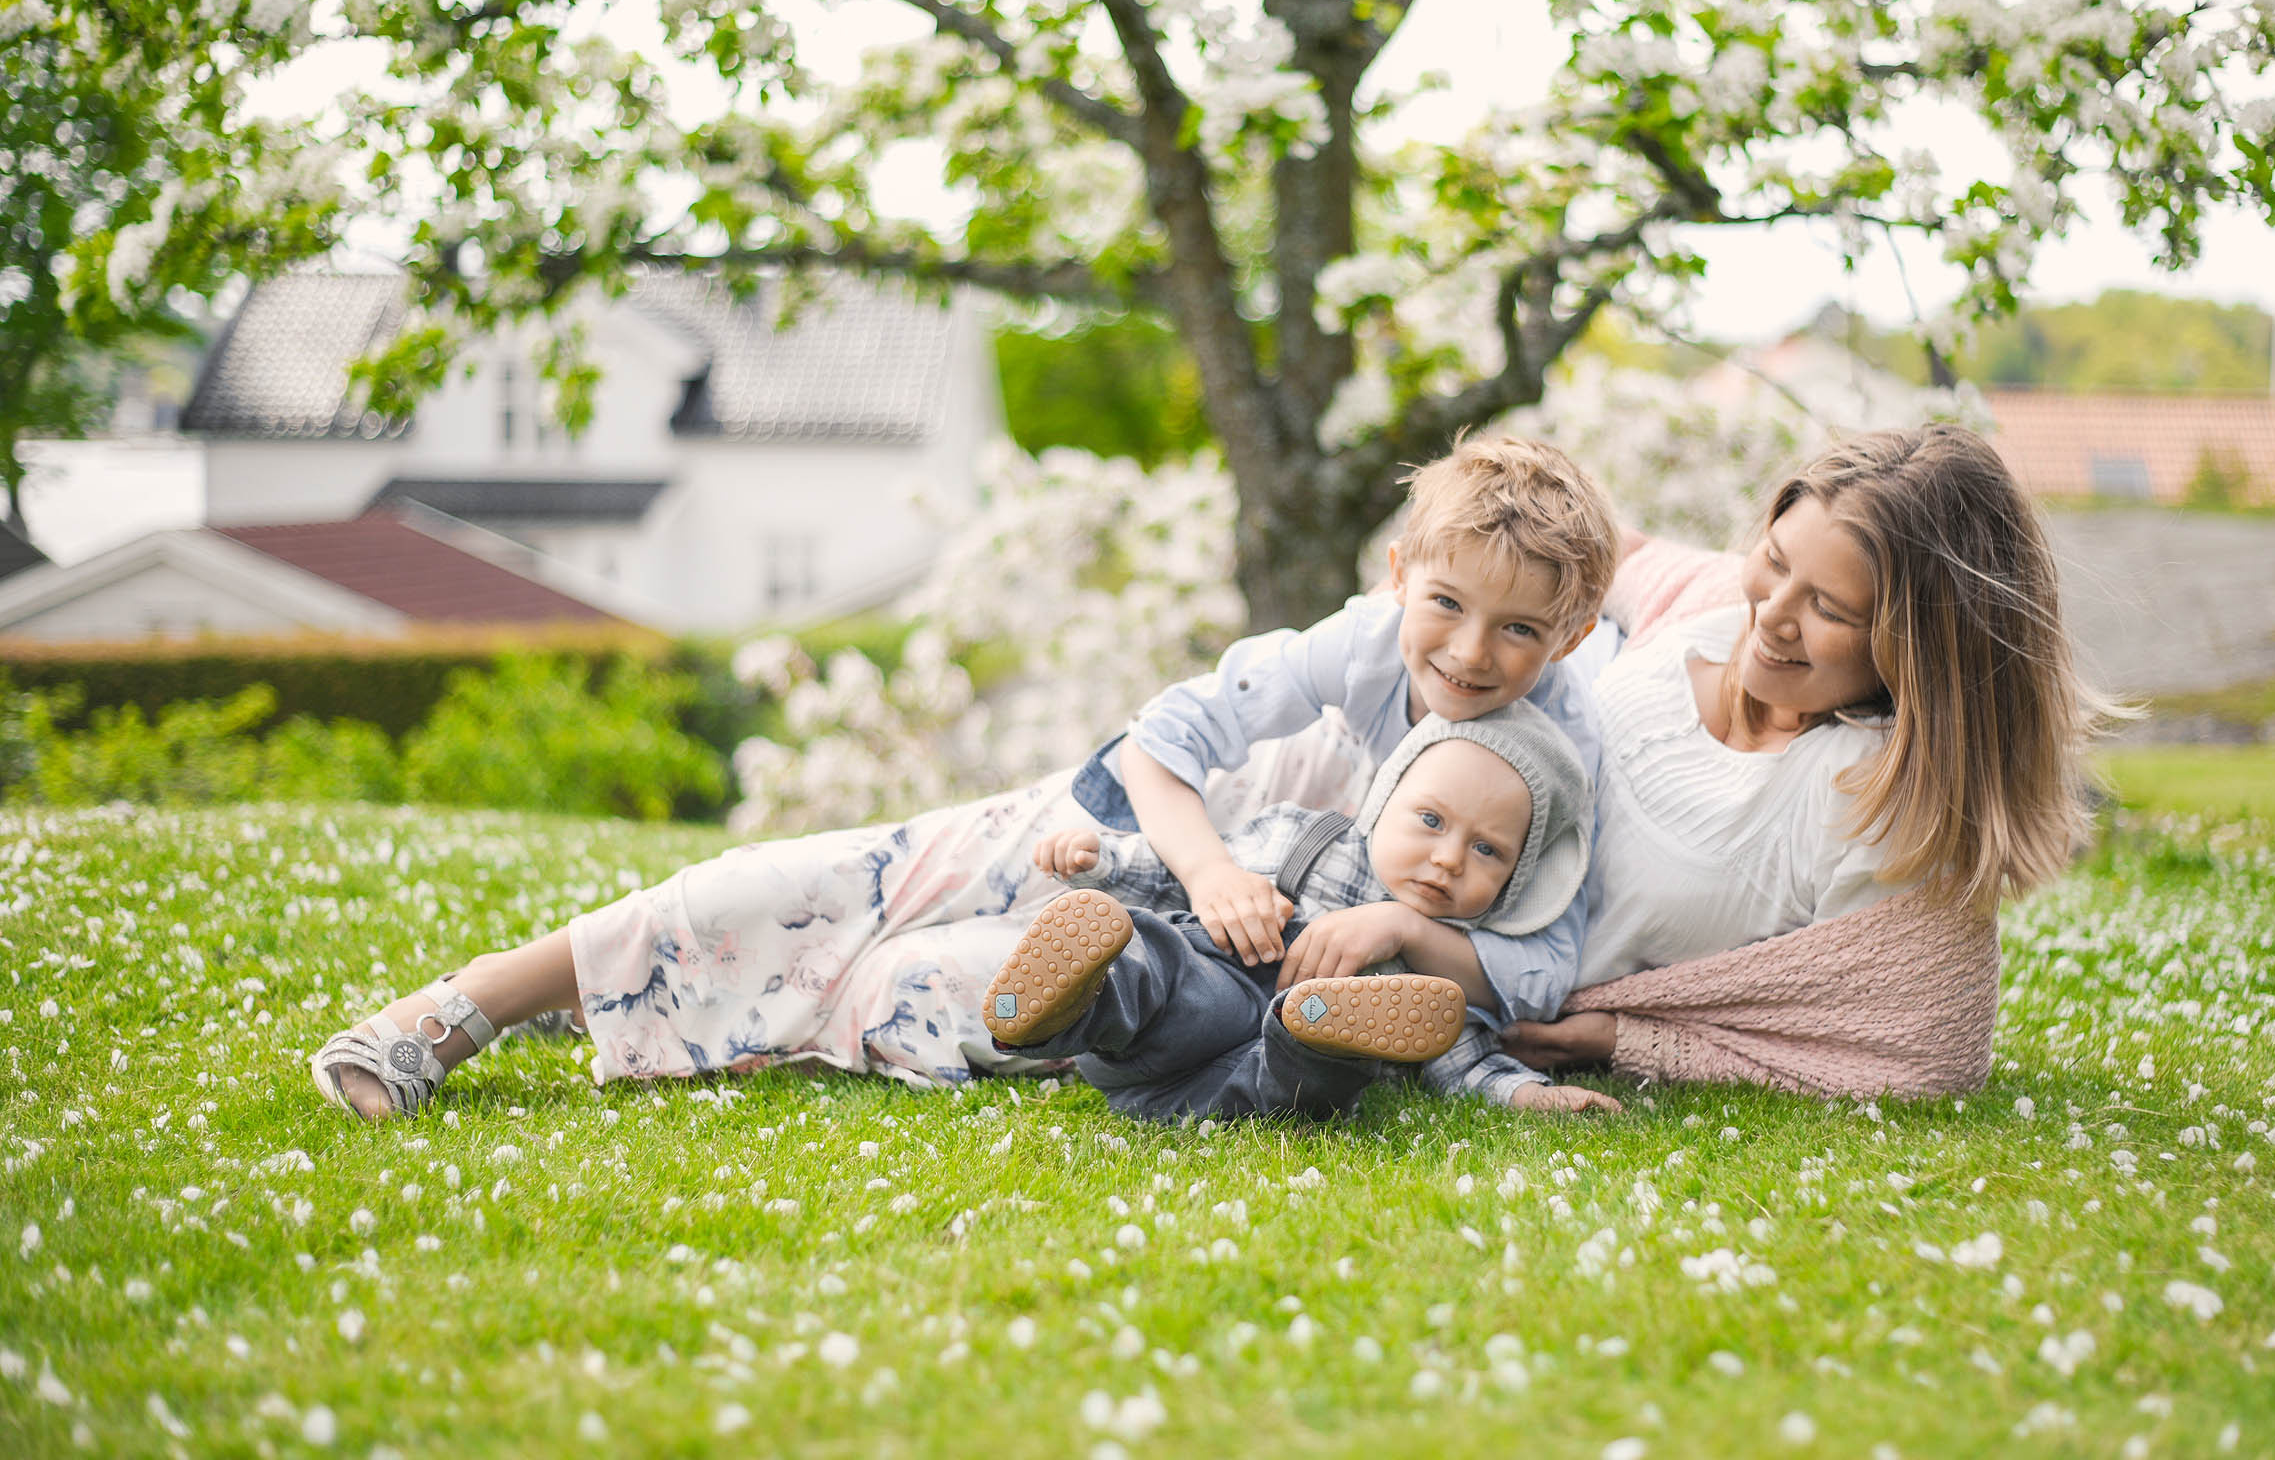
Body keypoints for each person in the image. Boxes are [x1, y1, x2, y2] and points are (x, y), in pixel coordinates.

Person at [308, 433, 1622, 1121]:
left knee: (936, 998)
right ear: (1401, 571)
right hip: (1109, 836)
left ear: (1565, 632)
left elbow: (1539, 964)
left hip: (1178, 952)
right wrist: (1213, 865)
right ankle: (465, 1010)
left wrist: (1400, 923)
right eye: (1447, 603)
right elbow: (1165, 741)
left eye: (1519, 630)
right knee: (814, 885)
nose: (1471, 650)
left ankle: (639, 1006)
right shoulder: (1353, 636)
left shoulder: (1553, 751)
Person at [1484, 422, 2111, 1100]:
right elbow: (1574, 548)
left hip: (1472, 978)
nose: (1773, 615)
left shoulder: (1872, 797)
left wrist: (1624, 1039)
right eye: (1777, 561)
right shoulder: (1712, 601)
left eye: (1829, 609)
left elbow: (1926, 1047)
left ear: (1916, 652)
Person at [986, 700, 1593, 1121]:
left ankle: (1317, 1030)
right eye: (1431, 821)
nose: (1449, 860)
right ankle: (1056, 1009)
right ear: (1386, 798)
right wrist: (1102, 864)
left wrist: (1527, 1095)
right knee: (1160, 965)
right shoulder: (1307, 839)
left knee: (1300, 1080)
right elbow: (1181, 873)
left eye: (1487, 850)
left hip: (1221, 1090)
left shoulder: (1438, 964)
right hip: (1209, 988)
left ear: (1514, 880)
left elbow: (1462, 1060)